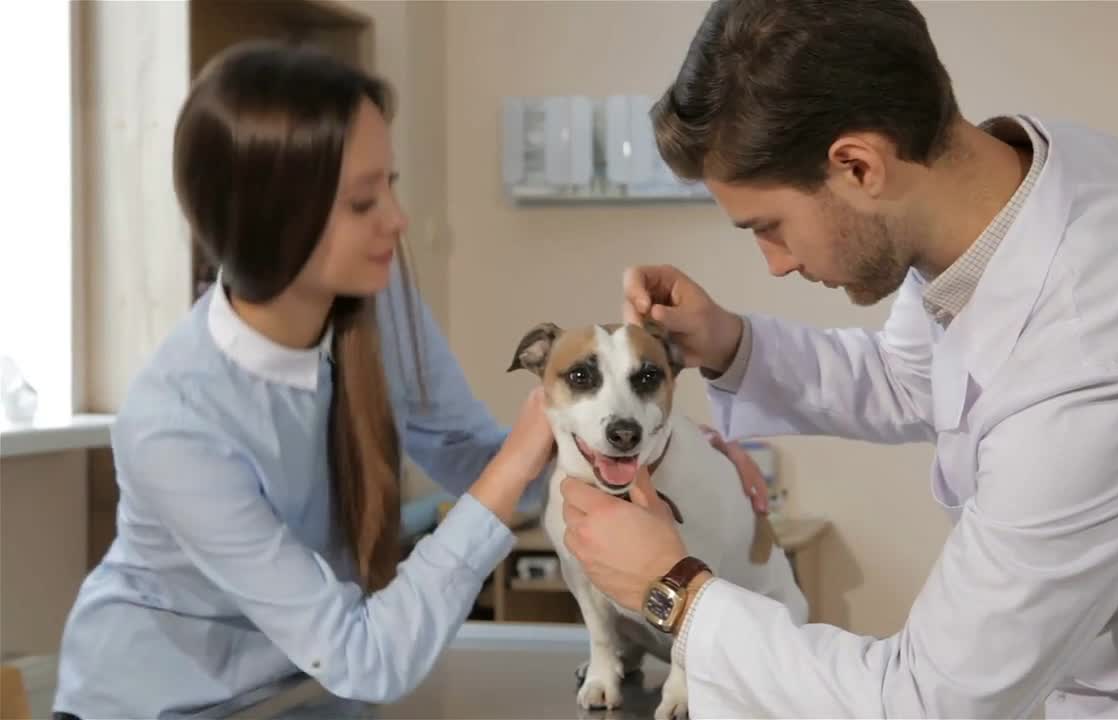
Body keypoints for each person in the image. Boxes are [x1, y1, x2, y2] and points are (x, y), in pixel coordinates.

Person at [559, 1, 1118, 718]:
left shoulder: (1107, 357)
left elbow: (926, 703)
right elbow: (914, 380)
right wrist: (731, 343)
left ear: (858, 166)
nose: (774, 263)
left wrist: (673, 589)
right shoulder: (1016, 198)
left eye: (769, 227)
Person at [46, 41, 757, 719]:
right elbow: (364, 652)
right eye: (363, 203)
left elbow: (474, 457)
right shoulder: (173, 426)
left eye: (389, 185)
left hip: (307, 692)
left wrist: (672, 463)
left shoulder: (374, 304)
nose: (398, 218)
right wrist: (520, 452)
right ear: (275, 222)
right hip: (166, 706)